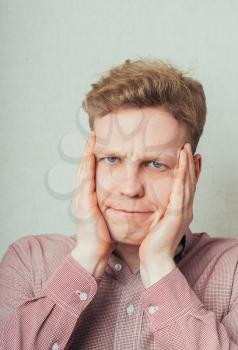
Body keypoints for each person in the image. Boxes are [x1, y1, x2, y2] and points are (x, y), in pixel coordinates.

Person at [0, 58, 237, 350]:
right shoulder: (29, 260)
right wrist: (88, 257)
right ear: (89, 164)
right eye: (112, 159)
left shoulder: (233, 270)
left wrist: (159, 265)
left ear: (193, 173)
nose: (129, 188)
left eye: (155, 164)